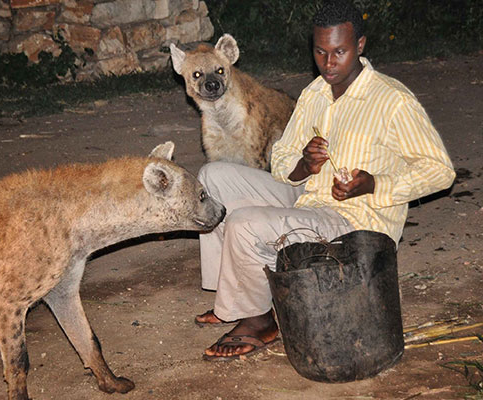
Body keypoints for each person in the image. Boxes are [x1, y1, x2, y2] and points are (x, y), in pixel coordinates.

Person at [195, 0, 456, 361]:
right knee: (212, 179)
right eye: (320, 51)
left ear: (360, 46)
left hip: (355, 222)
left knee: (243, 223)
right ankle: (233, 298)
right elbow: (283, 160)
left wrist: (375, 184)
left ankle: (258, 319)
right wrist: (304, 164)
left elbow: (441, 171)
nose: (328, 63)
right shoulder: (314, 94)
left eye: (339, 52)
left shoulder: (392, 100)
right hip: (309, 196)